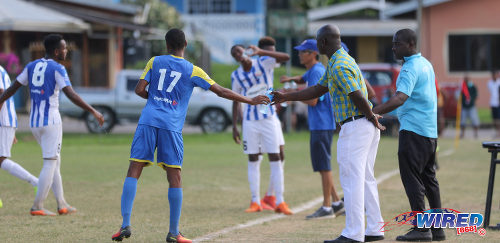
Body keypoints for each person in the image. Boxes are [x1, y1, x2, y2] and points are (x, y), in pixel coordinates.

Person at [111, 29, 269, 243]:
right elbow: (221, 91)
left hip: (148, 120)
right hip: (171, 126)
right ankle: (174, 233)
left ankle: (124, 225)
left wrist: (156, 100)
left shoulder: (154, 61)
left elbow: (140, 90)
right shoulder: (193, 70)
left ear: (166, 45)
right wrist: (250, 100)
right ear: (185, 43)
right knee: (174, 175)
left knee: (134, 168)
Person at [273, 24, 385, 243]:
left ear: (323, 43)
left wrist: (371, 116)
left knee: (352, 180)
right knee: (365, 179)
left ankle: (353, 234)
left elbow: (357, 95)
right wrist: (286, 96)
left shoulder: (339, 65)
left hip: (356, 125)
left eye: (317, 41)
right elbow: (317, 89)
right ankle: (374, 228)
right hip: (361, 124)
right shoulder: (338, 61)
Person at [0, 34, 104, 216]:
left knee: (55, 160)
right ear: (56, 51)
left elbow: (13, 87)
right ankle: (37, 206)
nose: (66, 51)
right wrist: (93, 111)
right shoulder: (58, 68)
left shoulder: (31, 65)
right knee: (50, 162)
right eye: (64, 48)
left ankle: (62, 203)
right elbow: (71, 94)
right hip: (51, 122)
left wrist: (0, 100)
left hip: (34, 122)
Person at [372, 29, 445, 242]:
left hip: (413, 130)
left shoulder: (409, 68)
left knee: (412, 178)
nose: (394, 47)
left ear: (410, 45)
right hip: (429, 131)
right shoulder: (426, 64)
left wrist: (374, 111)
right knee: (429, 178)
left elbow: (400, 98)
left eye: (397, 43)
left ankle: (421, 229)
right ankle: (437, 229)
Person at [279, 39, 344, 219]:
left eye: (303, 52)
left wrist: (289, 96)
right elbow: (302, 78)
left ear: (313, 54)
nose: (299, 54)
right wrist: (290, 80)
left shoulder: (316, 72)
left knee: (324, 166)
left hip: (321, 124)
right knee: (323, 165)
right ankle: (337, 203)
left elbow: (313, 100)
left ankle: (326, 207)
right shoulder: (314, 71)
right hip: (320, 125)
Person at [230, 43, 293, 215]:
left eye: (239, 50)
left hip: (268, 116)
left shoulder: (263, 62)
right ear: (234, 57)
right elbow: (235, 100)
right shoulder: (236, 75)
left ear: (246, 51)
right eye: (234, 53)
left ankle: (280, 201)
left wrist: (260, 52)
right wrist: (235, 126)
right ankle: (255, 201)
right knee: (253, 158)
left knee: (275, 157)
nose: (237, 53)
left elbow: (286, 57)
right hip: (250, 121)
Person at [255, 36, 287, 210]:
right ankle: (259, 197)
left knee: (280, 154)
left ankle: (269, 195)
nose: (274, 55)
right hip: (261, 114)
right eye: (270, 51)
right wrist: (264, 53)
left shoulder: (268, 61)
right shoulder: (263, 62)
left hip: (270, 113)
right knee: (261, 155)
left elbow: (283, 57)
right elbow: (285, 57)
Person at [0, 64, 39, 196]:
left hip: (3, 121)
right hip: (6, 121)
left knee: (2, 160)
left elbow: (1, 93)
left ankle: (35, 182)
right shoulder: (2, 70)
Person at [488, 70, 500, 137]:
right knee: (494, 119)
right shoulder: (489, 83)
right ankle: (496, 132)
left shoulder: (499, 82)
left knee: (498, 119)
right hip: (493, 103)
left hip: (499, 103)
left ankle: (499, 132)